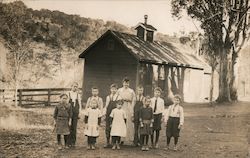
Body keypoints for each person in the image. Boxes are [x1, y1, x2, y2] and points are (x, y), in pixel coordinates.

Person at [117, 77, 136, 144]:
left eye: (127, 83)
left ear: (129, 83)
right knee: (121, 121)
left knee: (128, 122)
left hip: (128, 106)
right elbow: (117, 98)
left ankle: (128, 138)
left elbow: (134, 100)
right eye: (125, 83)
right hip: (121, 106)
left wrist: (132, 107)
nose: (126, 84)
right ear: (123, 83)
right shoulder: (119, 90)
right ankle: (120, 139)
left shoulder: (131, 91)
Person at [103, 83, 120, 148]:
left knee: (115, 128)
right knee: (107, 128)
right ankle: (107, 142)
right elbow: (106, 106)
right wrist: (104, 113)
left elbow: (119, 106)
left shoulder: (119, 97)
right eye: (112, 89)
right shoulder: (108, 97)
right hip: (109, 114)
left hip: (115, 114)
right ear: (110, 90)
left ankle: (114, 142)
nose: (113, 90)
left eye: (115, 89)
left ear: (117, 90)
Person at [68, 82, 82, 147]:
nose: (75, 88)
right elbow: (66, 104)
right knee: (69, 127)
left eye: (76, 86)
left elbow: (79, 104)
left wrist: (79, 113)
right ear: (71, 86)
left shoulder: (78, 95)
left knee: (74, 127)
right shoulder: (68, 93)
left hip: (75, 112)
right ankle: (68, 142)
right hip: (69, 111)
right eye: (74, 86)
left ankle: (73, 142)